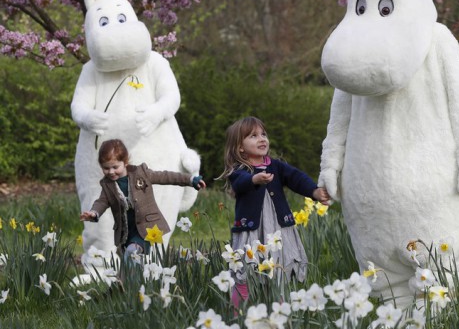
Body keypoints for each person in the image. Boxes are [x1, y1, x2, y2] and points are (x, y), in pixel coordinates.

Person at [218, 116, 330, 306]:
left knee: (279, 266)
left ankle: (278, 309)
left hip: (278, 228)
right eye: (253, 136)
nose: (262, 139)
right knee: (245, 268)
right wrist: (254, 180)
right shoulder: (239, 170)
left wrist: (314, 191)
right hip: (252, 230)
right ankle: (239, 311)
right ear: (240, 148)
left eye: (263, 134)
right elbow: (239, 183)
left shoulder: (276, 166)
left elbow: (296, 178)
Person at [79, 139, 206, 264]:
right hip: (126, 231)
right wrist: (94, 213)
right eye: (106, 168)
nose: (111, 172)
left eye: (115, 167)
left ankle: (130, 282)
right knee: (129, 262)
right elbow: (101, 201)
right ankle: (128, 284)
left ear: (125, 162)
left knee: (131, 253)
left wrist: (190, 180)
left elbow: (167, 176)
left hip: (146, 228)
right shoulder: (108, 185)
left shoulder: (141, 174)